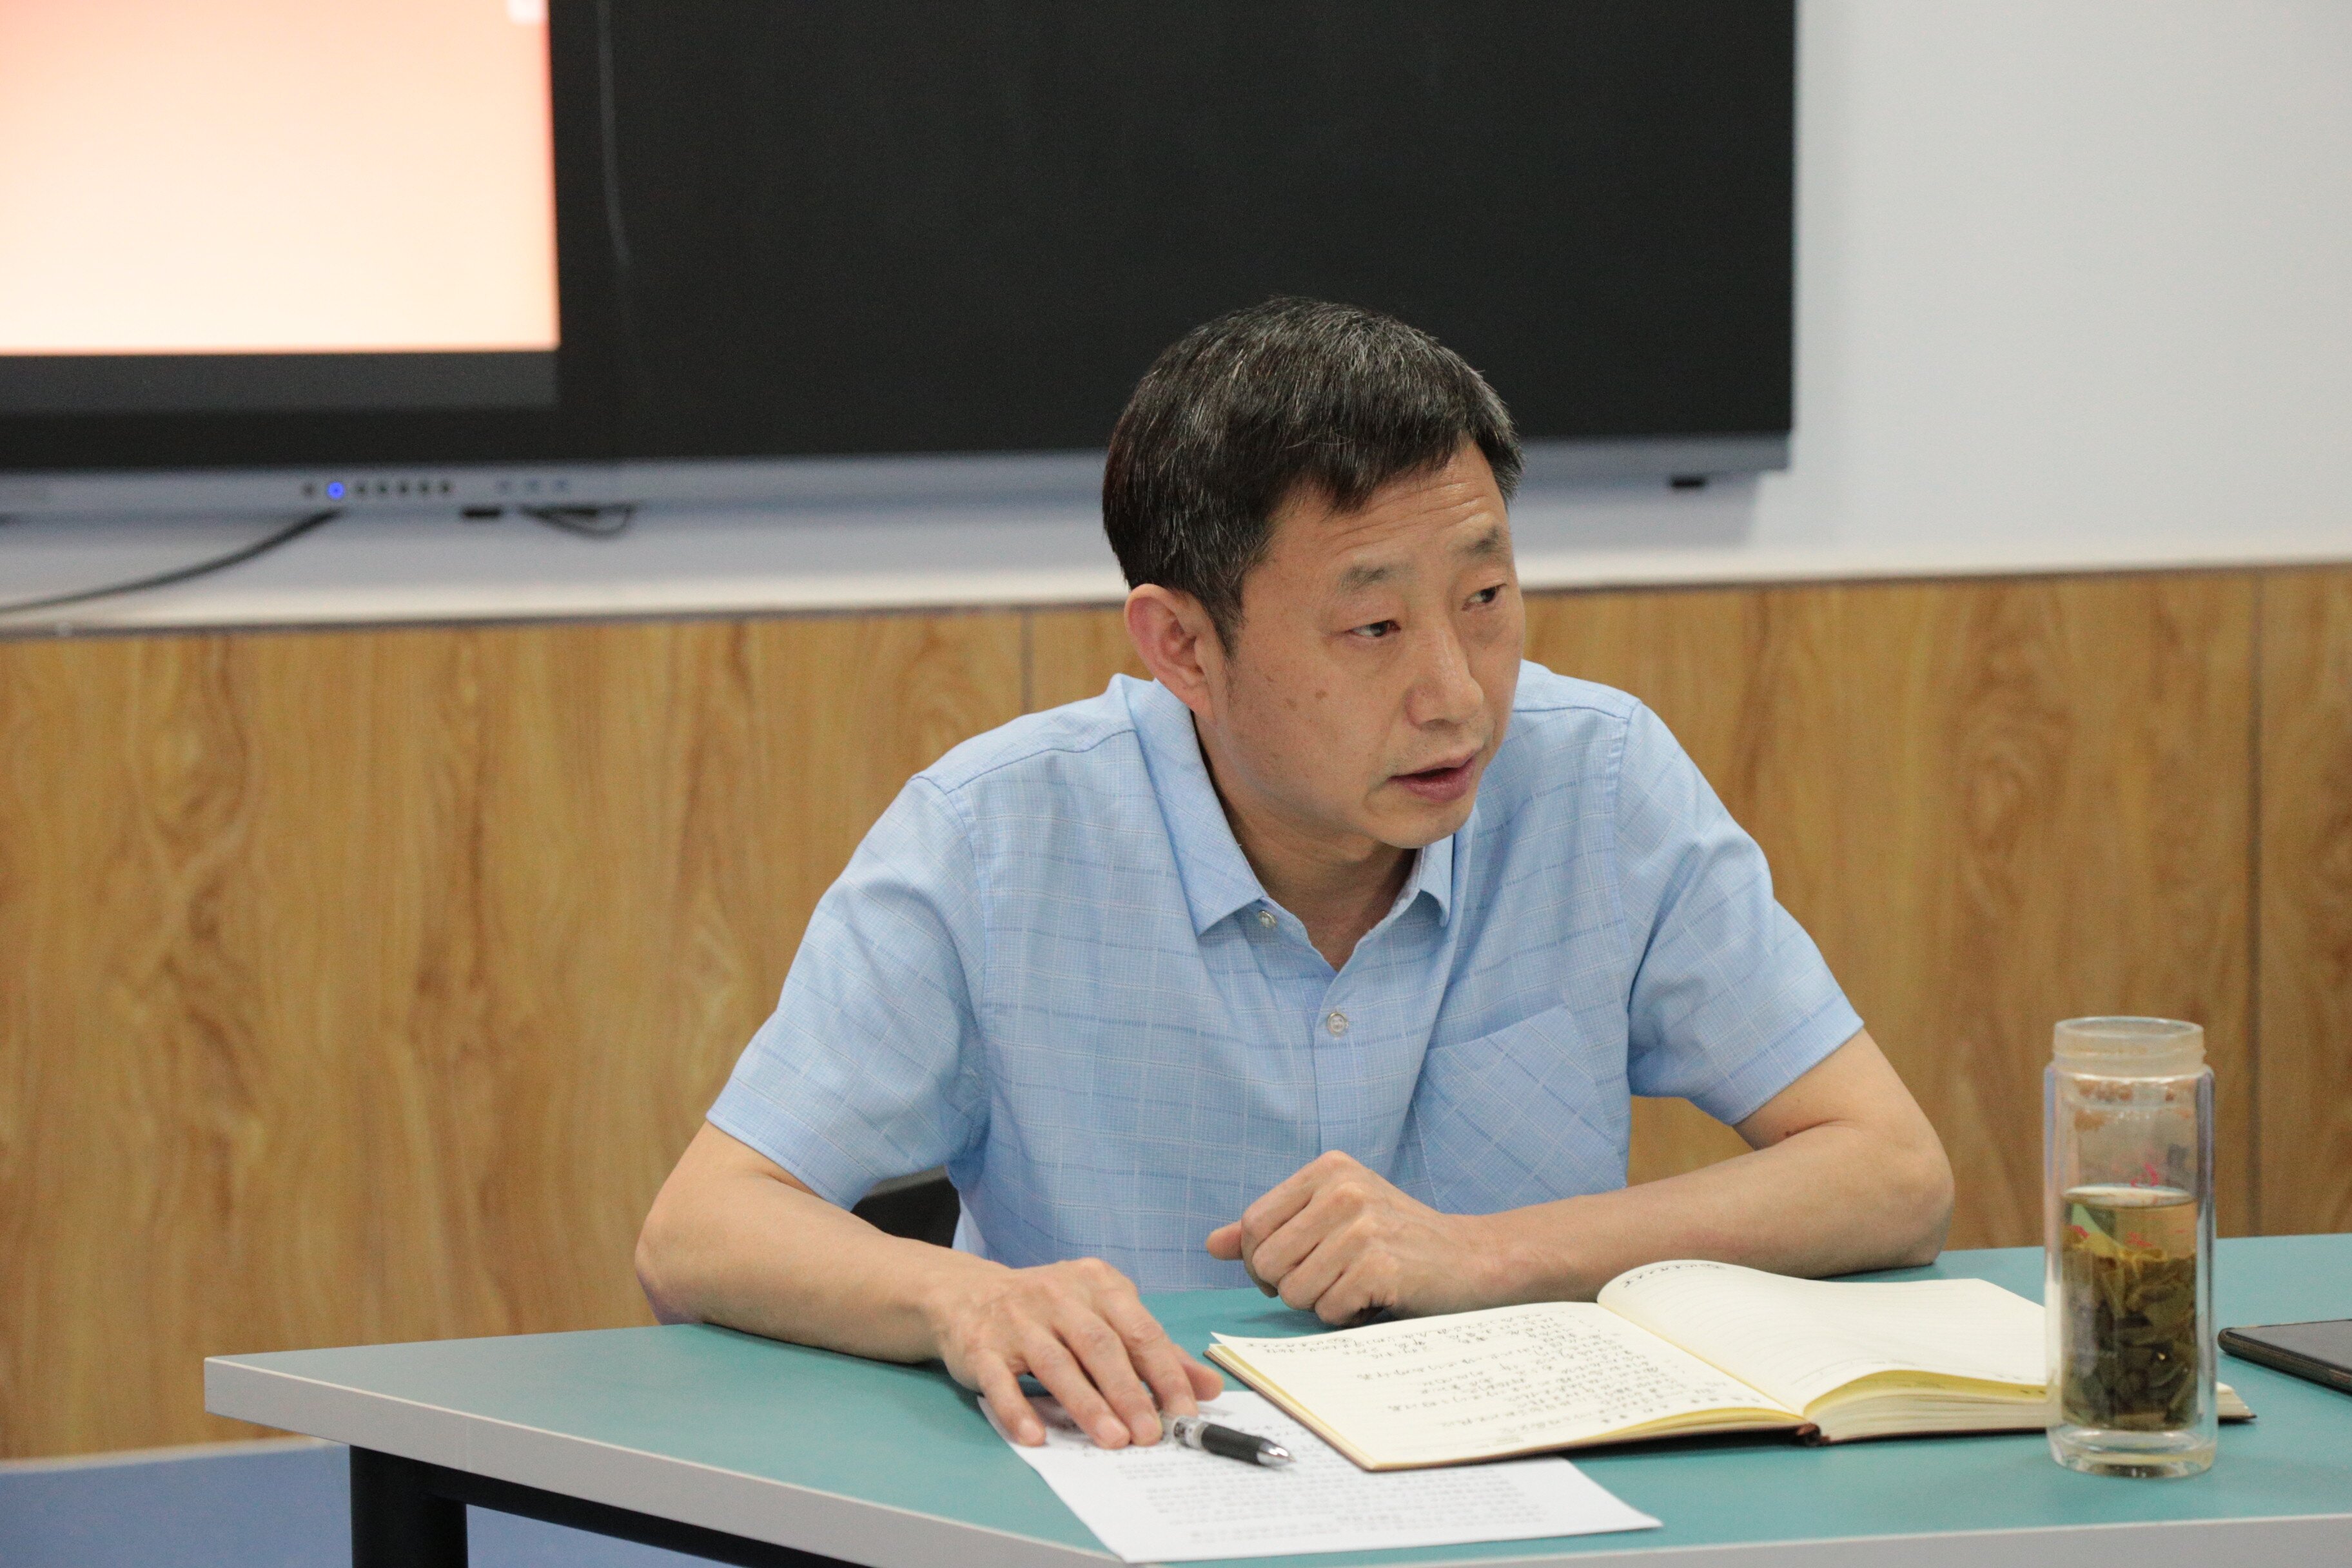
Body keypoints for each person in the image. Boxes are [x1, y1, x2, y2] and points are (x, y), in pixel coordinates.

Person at [635, 298, 1954, 1454]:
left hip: (1529, 1498)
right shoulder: (996, 838)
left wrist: (1487, 1253)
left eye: (1486, 599)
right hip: (1137, 1489)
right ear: (1182, 647)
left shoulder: (1596, 781)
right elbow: (699, 1230)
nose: (1456, 694)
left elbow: (1891, 1171)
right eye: (1373, 626)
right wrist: (961, 1298)